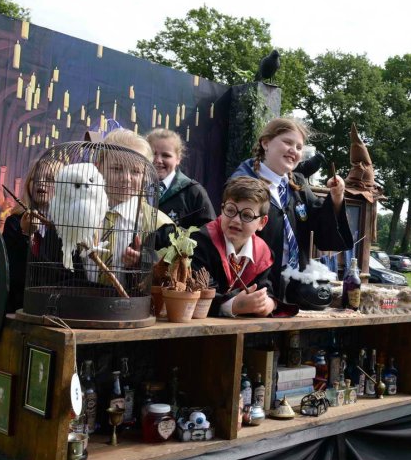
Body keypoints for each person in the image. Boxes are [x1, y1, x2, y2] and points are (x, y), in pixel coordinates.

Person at [229, 118, 353, 300]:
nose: (293, 150)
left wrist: (336, 196)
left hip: (295, 288)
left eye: (299, 147)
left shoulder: (297, 183)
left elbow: (321, 223)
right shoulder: (242, 184)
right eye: (287, 142)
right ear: (265, 143)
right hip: (255, 288)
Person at [91, 130, 174, 285]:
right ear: (98, 167)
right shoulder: (76, 213)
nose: (126, 178)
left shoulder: (160, 226)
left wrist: (142, 262)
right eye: (116, 168)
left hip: (131, 300)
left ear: (146, 176)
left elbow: (170, 279)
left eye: (136, 171)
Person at [189, 177, 280, 317]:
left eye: (247, 215)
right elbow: (199, 292)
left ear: (262, 222)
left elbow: (266, 290)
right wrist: (233, 306)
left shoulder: (262, 253)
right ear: (222, 209)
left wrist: (268, 303)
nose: (236, 220)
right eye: (230, 210)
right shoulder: (199, 242)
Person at [2, 157, 68, 312]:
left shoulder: (67, 227)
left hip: (56, 309)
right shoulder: (14, 222)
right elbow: (12, 273)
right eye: (35, 178)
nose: (41, 182)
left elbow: (67, 275)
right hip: (19, 306)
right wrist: (26, 234)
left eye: (50, 179)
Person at [145, 128, 215, 229]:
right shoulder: (134, 188)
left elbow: (209, 230)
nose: (158, 160)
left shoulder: (193, 192)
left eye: (166, 155)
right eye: (153, 154)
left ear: (178, 159)